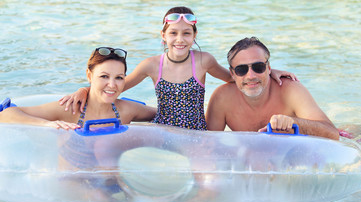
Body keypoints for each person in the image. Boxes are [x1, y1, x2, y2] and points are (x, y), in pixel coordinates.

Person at [59, 6, 298, 131]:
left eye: (186, 33)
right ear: (163, 36)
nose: (179, 39)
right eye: (173, 33)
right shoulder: (151, 65)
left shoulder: (203, 61)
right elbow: (116, 87)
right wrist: (83, 90)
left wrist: (268, 70)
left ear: (195, 36)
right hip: (163, 130)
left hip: (197, 133)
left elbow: (236, 79)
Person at [206, 37, 340, 140]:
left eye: (258, 67)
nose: (251, 76)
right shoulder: (222, 98)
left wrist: (295, 123)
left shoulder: (290, 90)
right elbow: (206, 145)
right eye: (242, 70)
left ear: (269, 68)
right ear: (233, 73)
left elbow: (333, 134)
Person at [0, 47, 156, 129]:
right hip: (73, 181)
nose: (112, 85)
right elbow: (5, 115)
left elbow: (163, 115)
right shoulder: (70, 108)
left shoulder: (127, 110)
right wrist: (46, 124)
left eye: (119, 78)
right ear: (89, 75)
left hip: (112, 180)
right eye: (104, 76)